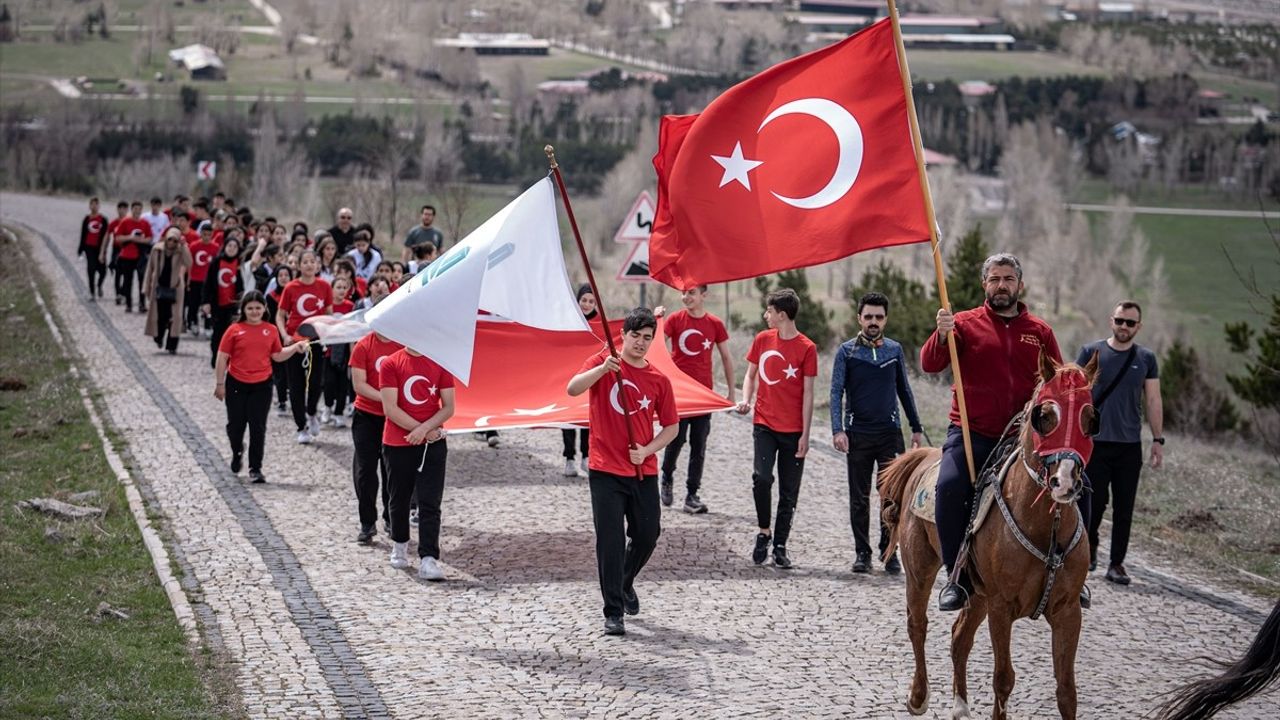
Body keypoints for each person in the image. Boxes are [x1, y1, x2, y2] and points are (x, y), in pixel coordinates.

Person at [921, 253, 1065, 612]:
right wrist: (941, 336)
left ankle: (1070, 576)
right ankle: (957, 577)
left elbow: (1058, 383)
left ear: (1020, 284)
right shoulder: (963, 325)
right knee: (950, 488)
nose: (1002, 285)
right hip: (973, 434)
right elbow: (929, 363)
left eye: (1008, 279)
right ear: (985, 284)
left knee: (1076, 487)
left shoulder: (1040, 332)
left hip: (1027, 438)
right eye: (995, 279)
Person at [567, 307, 679, 636]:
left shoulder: (658, 379)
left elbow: (671, 427)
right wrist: (602, 370)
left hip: (642, 469)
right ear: (623, 336)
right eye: (636, 336)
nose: (641, 343)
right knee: (611, 541)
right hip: (604, 469)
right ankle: (613, 610)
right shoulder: (605, 363)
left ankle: (626, 580)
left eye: (648, 338)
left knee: (647, 534)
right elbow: (572, 388)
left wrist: (647, 450)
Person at [831, 292, 923, 574]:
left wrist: (916, 427)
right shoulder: (847, 351)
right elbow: (836, 392)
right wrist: (838, 430)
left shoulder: (894, 350)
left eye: (878, 317)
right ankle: (862, 553)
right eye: (868, 316)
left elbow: (904, 391)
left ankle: (889, 552)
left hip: (889, 434)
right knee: (858, 498)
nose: (873, 322)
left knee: (890, 498)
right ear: (859, 318)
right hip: (858, 434)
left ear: (885, 319)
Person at [1076, 301, 1163, 587]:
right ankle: (1088, 550)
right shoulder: (1091, 352)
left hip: (1128, 446)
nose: (1124, 327)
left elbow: (1153, 399)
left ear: (1139, 326)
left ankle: (1117, 564)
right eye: (1120, 320)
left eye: (1130, 322)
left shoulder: (1146, 358)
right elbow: (1075, 394)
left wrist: (1157, 439)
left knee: (1125, 508)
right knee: (1094, 503)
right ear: (1110, 320)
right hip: (1095, 444)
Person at [737, 289, 818, 569]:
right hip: (764, 424)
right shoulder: (762, 339)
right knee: (761, 478)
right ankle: (764, 532)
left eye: (768, 311)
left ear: (781, 315)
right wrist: (746, 399)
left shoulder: (807, 348)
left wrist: (806, 435)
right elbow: (749, 375)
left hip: (793, 431)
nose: (765, 316)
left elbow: (808, 393)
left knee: (788, 491)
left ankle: (780, 545)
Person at [655, 285, 735, 514]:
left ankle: (692, 494)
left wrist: (731, 393)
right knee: (676, 439)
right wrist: (657, 320)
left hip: (703, 396)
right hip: (679, 395)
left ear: (703, 296)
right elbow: (657, 345)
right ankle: (667, 477)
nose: (685, 297)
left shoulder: (715, 324)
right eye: (683, 293)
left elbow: (726, 358)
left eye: (691, 293)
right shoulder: (675, 320)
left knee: (699, 445)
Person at [214, 291, 307, 483]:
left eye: (258, 307)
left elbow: (277, 355)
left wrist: (295, 348)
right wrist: (220, 384)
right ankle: (237, 450)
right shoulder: (234, 329)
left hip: (262, 385)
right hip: (236, 384)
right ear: (243, 309)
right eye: (250, 308)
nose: (254, 312)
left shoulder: (271, 330)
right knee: (235, 426)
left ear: (264, 308)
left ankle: (255, 468)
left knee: (258, 427)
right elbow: (222, 357)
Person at [380, 344, 455, 580]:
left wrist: (425, 430)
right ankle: (400, 544)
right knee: (399, 497)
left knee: (430, 501)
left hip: (432, 442)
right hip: (398, 442)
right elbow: (390, 408)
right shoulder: (391, 363)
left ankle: (428, 558)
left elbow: (449, 406)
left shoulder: (440, 361)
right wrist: (420, 430)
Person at [350, 316, 402, 543]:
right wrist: (386, 398)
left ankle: (390, 518)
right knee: (366, 472)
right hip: (367, 416)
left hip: (393, 418)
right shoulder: (363, 346)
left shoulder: (402, 344)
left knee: (392, 470)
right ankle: (367, 522)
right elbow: (359, 385)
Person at [276, 250, 333, 444]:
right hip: (295, 342)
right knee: (296, 385)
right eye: (305, 262)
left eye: (312, 262)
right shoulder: (291, 287)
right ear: (299, 266)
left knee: (316, 382)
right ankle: (301, 426)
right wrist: (284, 335)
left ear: (317, 265)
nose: (309, 265)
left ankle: (311, 413)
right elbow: (280, 314)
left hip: (316, 342)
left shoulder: (324, 286)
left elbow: (329, 314)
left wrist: (328, 333)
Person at [561, 285, 597, 476]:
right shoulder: (568, 321)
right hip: (568, 377)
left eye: (591, 301)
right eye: (584, 300)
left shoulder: (600, 323)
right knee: (568, 420)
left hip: (589, 378)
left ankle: (586, 457)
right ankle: (569, 459)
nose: (587, 304)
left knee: (587, 419)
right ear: (577, 300)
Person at [143, 228, 192, 355]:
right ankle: (158, 337)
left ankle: (172, 344)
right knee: (160, 316)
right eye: (170, 239)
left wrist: (184, 246)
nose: (171, 243)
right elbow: (150, 268)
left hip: (175, 288)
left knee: (175, 318)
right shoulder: (157, 250)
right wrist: (146, 287)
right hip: (160, 287)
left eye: (174, 240)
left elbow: (189, 263)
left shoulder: (180, 251)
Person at [202, 234, 247, 367]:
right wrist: (206, 302)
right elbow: (208, 283)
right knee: (218, 333)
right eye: (229, 246)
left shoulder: (240, 264)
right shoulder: (216, 262)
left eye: (235, 246)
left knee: (232, 335)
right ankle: (216, 356)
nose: (232, 249)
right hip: (218, 304)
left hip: (234, 306)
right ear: (224, 247)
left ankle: (229, 359)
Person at [113, 201, 152, 313]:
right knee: (127, 281)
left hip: (140, 256)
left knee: (141, 281)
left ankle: (142, 304)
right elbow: (118, 238)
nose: (137, 211)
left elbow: (150, 238)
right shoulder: (125, 222)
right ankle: (129, 304)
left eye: (139, 209)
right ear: (132, 209)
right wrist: (130, 238)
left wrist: (141, 240)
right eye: (135, 208)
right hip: (127, 255)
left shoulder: (145, 223)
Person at [264, 265, 293, 416]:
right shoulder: (270, 297)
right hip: (277, 337)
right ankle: (282, 400)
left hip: (293, 336)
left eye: (286, 275)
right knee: (279, 371)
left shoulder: (295, 294)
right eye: (280, 275)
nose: (283, 278)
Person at [187, 221, 220, 336]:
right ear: (201, 233)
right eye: (204, 234)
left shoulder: (216, 248)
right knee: (193, 303)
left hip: (208, 281)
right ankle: (193, 322)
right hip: (195, 279)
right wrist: (188, 279)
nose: (206, 237)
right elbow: (189, 263)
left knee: (207, 304)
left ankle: (207, 325)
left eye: (209, 235)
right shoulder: (194, 246)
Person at [77, 197, 108, 300]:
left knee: (103, 271)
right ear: (89, 206)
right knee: (91, 269)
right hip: (89, 247)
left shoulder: (103, 219)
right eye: (92, 204)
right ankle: (92, 293)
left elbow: (106, 236)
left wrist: (104, 250)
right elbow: (83, 234)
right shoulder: (86, 219)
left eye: (96, 204)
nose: (94, 206)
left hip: (100, 248)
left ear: (99, 206)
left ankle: (99, 285)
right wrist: (80, 249)